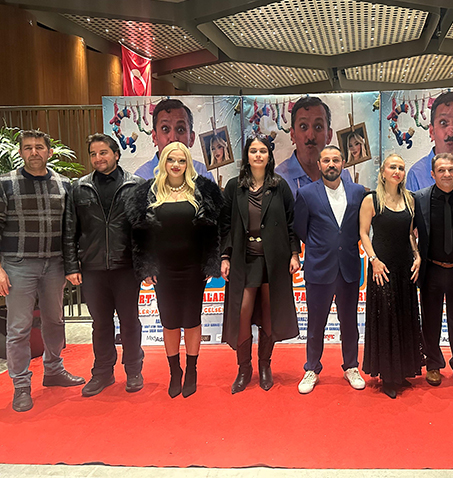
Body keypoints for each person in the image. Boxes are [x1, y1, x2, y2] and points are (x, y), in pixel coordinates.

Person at [0, 129, 85, 412]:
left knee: (55, 322)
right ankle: (21, 385)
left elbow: (71, 229)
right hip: (17, 265)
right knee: (18, 328)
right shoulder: (4, 183)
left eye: (39, 147)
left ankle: (54, 370)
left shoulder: (64, 184)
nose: (34, 152)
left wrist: (72, 263)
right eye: (28, 147)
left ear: (49, 152)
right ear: (20, 152)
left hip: (54, 265)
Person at [126, 141, 223, 398]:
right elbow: (139, 233)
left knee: (192, 321)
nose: (176, 165)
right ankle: (175, 372)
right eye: (171, 160)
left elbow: (214, 229)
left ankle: (191, 371)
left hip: (194, 268)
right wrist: (146, 265)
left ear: (188, 163)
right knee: (169, 323)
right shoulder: (148, 193)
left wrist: (211, 261)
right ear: (163, 162)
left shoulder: (202, 191)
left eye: (181, 160)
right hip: (164, 269)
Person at [63, 133, 145, 397]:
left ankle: (133, 370)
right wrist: (71, 266)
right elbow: (70, 230)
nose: (98, 158)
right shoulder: (79, 188)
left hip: (126, 267)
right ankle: (102, 373)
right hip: (93, 267)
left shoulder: (136, 186)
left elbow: (145, 230)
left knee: (130, 322)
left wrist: (146, 265)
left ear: (116, 154)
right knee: (100, 324)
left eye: (103, 153)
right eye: (93, 154)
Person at [219, 136, 301, 393]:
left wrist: (294, 254)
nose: (258, 155)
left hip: (273, 260)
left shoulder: (280, 186)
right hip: (243, 260)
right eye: (253, 150)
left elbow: (291, 222)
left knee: (268, 313)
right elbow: (225, 225)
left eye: (262, 151)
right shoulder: (234, 187)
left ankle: (265, 366)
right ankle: (244, 369)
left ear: (269, 156)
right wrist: (224, 256)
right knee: (242, 313)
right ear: (247, 155)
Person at [294, 145, 366, 394]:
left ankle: (351, 367)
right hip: (319, 268)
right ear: (319, 164)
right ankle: (311, 369)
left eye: (336, 159)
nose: (331, 164)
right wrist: (322, 247)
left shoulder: (358, 192)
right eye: (326, 160)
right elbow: (301, 229)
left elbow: (361, 227)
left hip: (348, 267)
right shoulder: (306, 194)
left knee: (349, 323)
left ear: (343, 163)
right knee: (316, 324)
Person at [360, 154, 423, 399]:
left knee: (404, 315)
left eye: (401, 168)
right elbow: (363, 233)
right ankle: (387, 375)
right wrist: (374, 260)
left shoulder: (410, 199)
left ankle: (402, 370)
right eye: (392, 167)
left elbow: (410, 234)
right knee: (385, 318)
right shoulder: (371, 200)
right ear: (383, 172)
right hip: (382, 268)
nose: (397, 171)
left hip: (405, 267)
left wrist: (417, 255)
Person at [414, 153, 453, 386]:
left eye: (451, 170)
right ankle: (433, 365)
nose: (447, 174)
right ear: (433, 174)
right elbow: (408, 231)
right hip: (431, 269)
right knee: (430, 321)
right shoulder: (419, 199)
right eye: (441, 170)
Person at [275, 96, 352, 197]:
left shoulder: (343, 178)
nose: (311, 136)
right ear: (293, 135)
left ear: (329, 136)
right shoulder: (277, 181)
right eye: (303, 126)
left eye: (318, 127)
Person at [135, 98, 214, 182]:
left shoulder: (204, 176)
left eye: (180, 129)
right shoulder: (140, 179)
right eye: (165, 129)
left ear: (191, 138)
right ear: (155, 137)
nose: (173, 139)